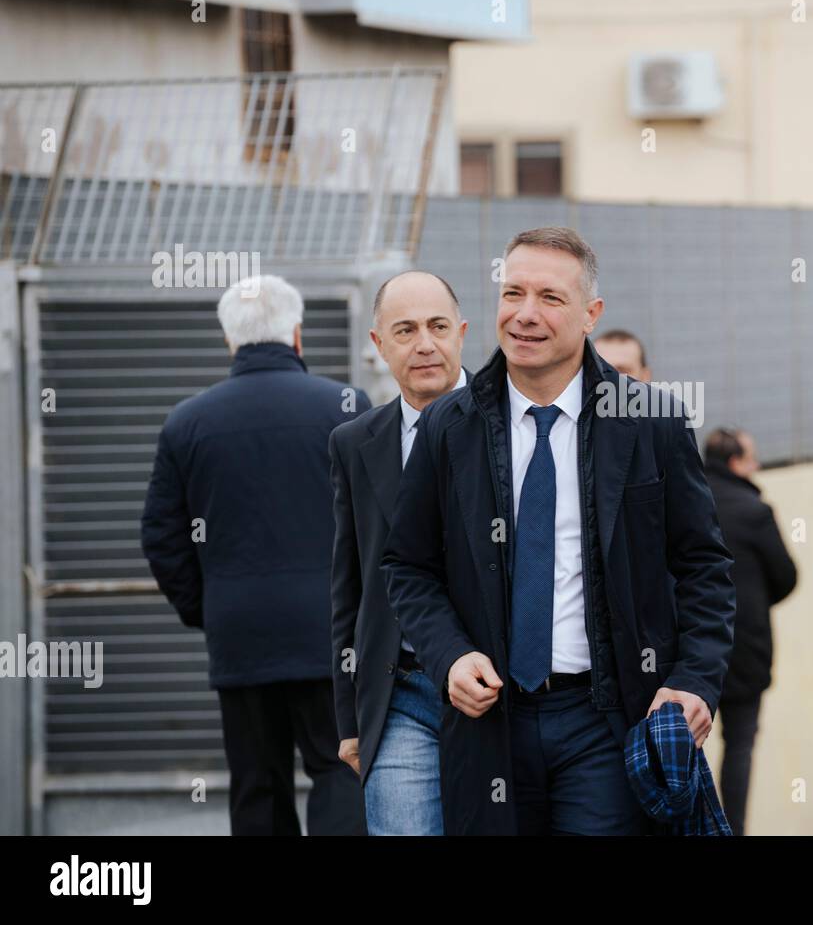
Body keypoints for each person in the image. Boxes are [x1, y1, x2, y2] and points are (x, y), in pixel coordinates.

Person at [381, 226, 736, 835]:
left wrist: (694, 680)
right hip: (487, 724)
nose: (525, 314)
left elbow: (703, 567)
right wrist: (449, 656)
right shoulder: (449, 427)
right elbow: (408, 567)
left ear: (591, 314)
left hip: (604, 720)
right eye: (512, 292)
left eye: (550, 297)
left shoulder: (650, 421)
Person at [141, 274, 370, 835]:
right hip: (331, 633)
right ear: (297, 334)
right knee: (339, 770)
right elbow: (378, 522)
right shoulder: (346, 405)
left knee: (256, 783)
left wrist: (207, 605)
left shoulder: (187, 422)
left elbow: (161, 537)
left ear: (229, 340)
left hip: (240, 633)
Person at [329, 271, 469, 835]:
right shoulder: (354, 442)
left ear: (461, 333)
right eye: (405, 330)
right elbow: (349, 583)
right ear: (378, 344)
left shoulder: (514, 425)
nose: (425, 344)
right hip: (400, 694)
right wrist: (350, 717)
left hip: (501, 696)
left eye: (438, 327)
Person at [704, 427, 797, 835]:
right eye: (752, 458)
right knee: (739, 745)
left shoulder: (689, 500)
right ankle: (732, 828)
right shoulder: (754, 510)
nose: (756, 466)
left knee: (685, 743)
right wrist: (754, 604)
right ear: (736, 463)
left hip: (691, 648)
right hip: (745, 648)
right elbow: (787, 576)